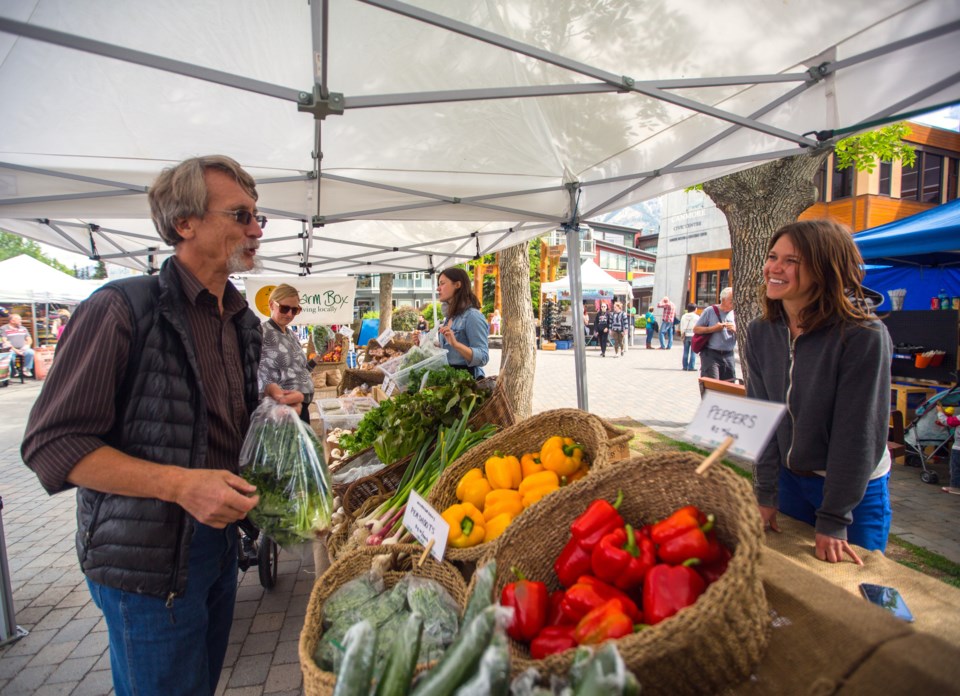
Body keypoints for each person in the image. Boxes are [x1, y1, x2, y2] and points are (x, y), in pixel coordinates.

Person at [20, 155, 299, 696]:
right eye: (241, 215)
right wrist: (179, 484)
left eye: (259, 217)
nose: (256, 229)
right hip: (148, 563)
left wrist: (275, 424)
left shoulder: (240, 321)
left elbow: (216, 421)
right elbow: (53, 443)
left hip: (218, 546)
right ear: (184, 224)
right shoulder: (122, 308)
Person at [746, 219, 893, 564]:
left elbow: (858, 434)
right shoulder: (761, 330)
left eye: (791, 261)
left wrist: (835, 517)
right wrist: (765, 493)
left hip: (854, 490)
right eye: (772, 257)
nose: (774, 268)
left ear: (826, 268)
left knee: (858, 596)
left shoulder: (864, 335)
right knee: (792, 579)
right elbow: (762, 417)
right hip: (790, 480)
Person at [259, 284, 319, 424]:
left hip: (301, 406)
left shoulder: (291, 334)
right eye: (284, 308)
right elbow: (256, 374)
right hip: (282, 411)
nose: (289, 314)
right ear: (272, 305)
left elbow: (302, 370)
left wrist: (318, 357)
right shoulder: (261, 333)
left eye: (295, 310)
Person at [436, 267, 489, 378]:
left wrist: (456, 344)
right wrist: (428, 345)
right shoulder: (449, 317)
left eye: (442, 283)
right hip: (449, 379)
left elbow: (483, 357)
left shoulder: (472, 316)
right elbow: (450, 353)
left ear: (457, 285)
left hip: (468, 383)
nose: (438, 288)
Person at [693, 287, 736, 383]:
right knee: (712, 385)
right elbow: (696, 329)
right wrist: (714, 329)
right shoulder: (710, 311)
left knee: (729, 386)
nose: (734, 303)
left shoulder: (735, 313)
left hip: (728, 355)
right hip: (711, 354)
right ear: (723, 300)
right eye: (732, 300)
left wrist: (735, 329)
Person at [935, 402, 960, 496]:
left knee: (956, 467)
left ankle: (955, 486)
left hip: (958, 447)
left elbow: (948, 422)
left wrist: (940, 412)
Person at [679, 303, 699, 372]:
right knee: (693, 352)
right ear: (695, 309)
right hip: (694, 335)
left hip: (686, 335)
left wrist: (682, 334)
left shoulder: (683, 316)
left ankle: (685, 366)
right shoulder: (697, 317)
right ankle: (691, 367)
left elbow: (681, 326)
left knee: (685, 351)